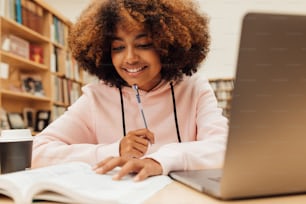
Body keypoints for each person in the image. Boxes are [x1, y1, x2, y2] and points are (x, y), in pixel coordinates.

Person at [32, 0, 228, 181]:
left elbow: (227, 148)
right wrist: (115, 150)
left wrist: (160, 161)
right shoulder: (96, 98)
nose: (130, 58)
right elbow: (36, 152)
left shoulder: (194, 88)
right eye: (118, 47)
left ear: (166, 45)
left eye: (143, 45)